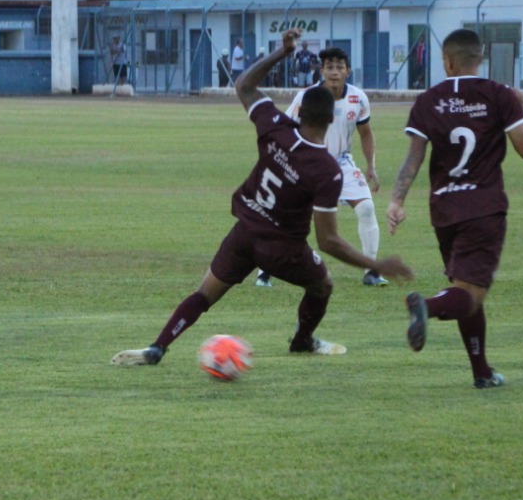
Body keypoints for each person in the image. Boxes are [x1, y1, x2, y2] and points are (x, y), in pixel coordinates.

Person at [111, 29, 413, 369]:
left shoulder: (276, 126)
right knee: (322, 285)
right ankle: (301, 342)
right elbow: (328, 241)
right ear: (331, 120)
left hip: (244, 233)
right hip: (283, 248)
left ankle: (158, 347)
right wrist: (376, 264)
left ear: (300, 114)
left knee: (204, 294)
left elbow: (243, 85)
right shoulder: (326, 169)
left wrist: (281, 53)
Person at [386, 28, 523, 389]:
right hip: (483, 206)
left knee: (467, 290)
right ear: (479, 58)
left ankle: (482, 372)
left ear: (447, 61)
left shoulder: (428, 100)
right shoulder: (499, 95)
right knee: (467, 294)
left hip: (444, 210)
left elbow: (414, 156)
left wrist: (396, 200)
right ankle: (426, 304)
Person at [260, 46, 387, 288]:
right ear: (322, 70)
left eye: (339, 67)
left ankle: (371, 271)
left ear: (348, 71)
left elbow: (366, 133)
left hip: (341, 163)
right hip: (307, 164)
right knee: (286, 216)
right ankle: (264, 271)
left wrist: (371, 166)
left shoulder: (358, 98)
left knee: (367, 208)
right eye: (329, 67)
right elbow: (285, 129)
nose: (334, 72)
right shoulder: (306, 97)